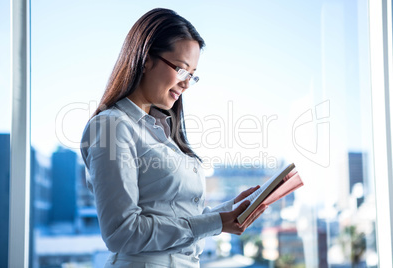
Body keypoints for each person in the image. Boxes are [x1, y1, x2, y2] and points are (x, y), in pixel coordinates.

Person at [80, 8, 267, 268]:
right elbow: (121, 233)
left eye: (192, 75)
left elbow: (172, 217)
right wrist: (215, 222)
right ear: (146, 59)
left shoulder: (161, 130)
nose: (186, 83)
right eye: (181, 69)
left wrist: (224, 213)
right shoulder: (111, 127)